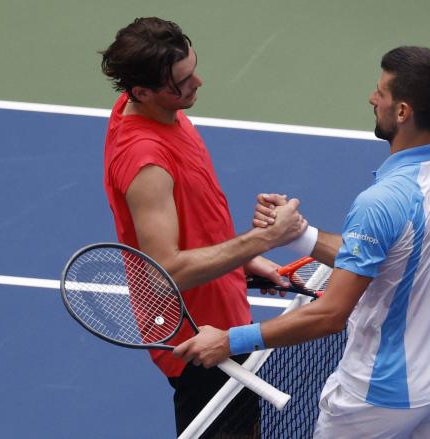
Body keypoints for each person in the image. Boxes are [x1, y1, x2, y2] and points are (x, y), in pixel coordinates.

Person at [174, 46, 430, 439]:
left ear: (402, 112)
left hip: (378, 398)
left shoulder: (380, 203)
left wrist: (230, 340)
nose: (372, 98)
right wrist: (299, 234)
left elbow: (331, 314)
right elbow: (395, 260)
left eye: (380, 92)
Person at [100, 17, 306, 436]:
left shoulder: (160, 112)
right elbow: (166, 274)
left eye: (192, 68)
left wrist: (244, 262)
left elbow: (194, 222)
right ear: (142, 91)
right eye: (182, 80)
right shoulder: (147, 162)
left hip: (222, 310)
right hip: (200, 339)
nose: (199, 82)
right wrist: (264, 238)